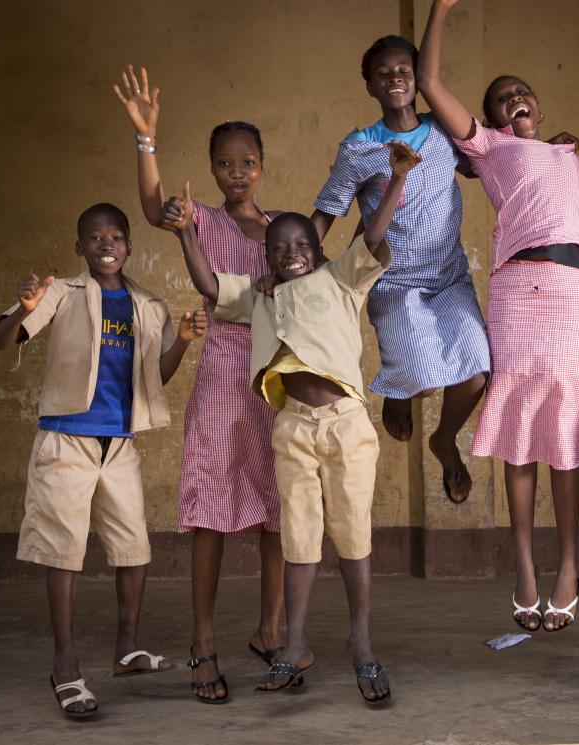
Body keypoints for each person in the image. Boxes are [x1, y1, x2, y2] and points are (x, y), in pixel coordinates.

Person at [160, 140, 419, 705]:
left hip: (346, 426)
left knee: (352, 537)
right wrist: (185, 234)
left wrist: (396, 180)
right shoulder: (260, 296)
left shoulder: (344, 279)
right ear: (268, 257)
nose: (293, 252)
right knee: (298, 537)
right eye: (281, 247)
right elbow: (209, 286)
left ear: (320, 250)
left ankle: (362, 645)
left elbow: (371, 237)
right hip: (293, 430)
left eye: (304, 244)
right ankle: (291, 644)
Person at [418, 0, 579, 632]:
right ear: (489, 119)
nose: (514, 98)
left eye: (523, 92)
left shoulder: (570, 155)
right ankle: (525, 567)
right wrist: (441, 12)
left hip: (573, 290)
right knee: (524, 432)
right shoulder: (490, 149)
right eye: (501, 97)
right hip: (519, 288)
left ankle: (568, 567)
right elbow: (430, 84)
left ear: (540, 108)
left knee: (566, 434)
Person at [0, 203, 205, 717]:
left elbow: (156, 380)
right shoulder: (60, 294)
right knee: (63, 553)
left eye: (116, 237)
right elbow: (2, 340)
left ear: (130, 247)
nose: (106, 244)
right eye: (94, 237)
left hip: (120, 445)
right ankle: (65, 665)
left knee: (134, 549)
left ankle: (126, 649)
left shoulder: (147, 305)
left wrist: (183, 342)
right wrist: (22, 308)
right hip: (66, 442)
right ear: (79, 247)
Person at [113, 66, 285, 703]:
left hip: (275, 381)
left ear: (262, 166)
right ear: (213, 170)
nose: (236, 171)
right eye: (224, 162)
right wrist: (147, 140)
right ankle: (203, 642)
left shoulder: (283, 231)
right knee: (211, 514)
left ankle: (271, 631)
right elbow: (156, 208)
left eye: (246, 161)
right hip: (220, 378)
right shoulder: (202, 220)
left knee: (278, 514)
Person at [311, 35, 490, 503]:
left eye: (404, 71)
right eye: (384, 73)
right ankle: (399, 387)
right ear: (370, 85)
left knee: (475, 374)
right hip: (392, 279)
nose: (395, 78)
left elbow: (490, 160)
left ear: (418, 79)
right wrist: (294, 262)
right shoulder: (358, 148)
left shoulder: (444, 131)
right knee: (421, 371)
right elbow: (328, 212)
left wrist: (541, 151)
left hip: (448, 276)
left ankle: (443, 438)